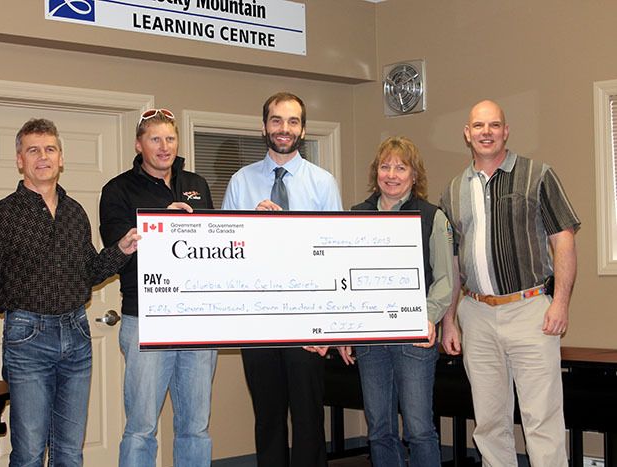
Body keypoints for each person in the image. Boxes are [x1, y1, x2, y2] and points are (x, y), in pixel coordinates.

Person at [0, 118, 140, 467]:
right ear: (19, 159)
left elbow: (90, 273)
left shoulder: (74, 213)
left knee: (69, 452)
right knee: (29, 453)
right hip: (27, 341)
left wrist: (121, 250)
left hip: (77, 337)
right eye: (33, 150)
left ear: (61, 158)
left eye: (50, 149)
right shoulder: (1, 217)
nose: (43, 156)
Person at [440, 100, 580, 467]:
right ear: (467, 134)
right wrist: (450, 319)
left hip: (530, 310)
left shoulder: (537, 174)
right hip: (477, 315)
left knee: (542, 420)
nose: (486, 132)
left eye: (494, 125)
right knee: (488, 422)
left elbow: (563, 239)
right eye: (478, 126)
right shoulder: (453, 190)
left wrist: (560, 303)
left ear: (506, 131)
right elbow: (454, 261)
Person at [221, 91, 342, 467]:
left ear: (303, 129)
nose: (284, 129)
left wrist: (329, 329)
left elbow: (335, 256)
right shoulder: (241, 182)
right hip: (257, 319)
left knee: (308, 420)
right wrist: (249, 226)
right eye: (276, 120)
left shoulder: (322, 183)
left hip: (307, 322)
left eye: (292, 121)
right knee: (268, 418)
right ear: (264, 127)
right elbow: (223, 253)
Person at [99, 108, 216, 467]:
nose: (164, 147)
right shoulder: (117, 190)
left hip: (196, 319)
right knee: (141, 427)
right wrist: (164, 220)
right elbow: (117, 252)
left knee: (195, 427)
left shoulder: (196, 183)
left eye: (169, 138)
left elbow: (215, 244)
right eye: (155, 139)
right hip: (145, 318)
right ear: (139, 144)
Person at [330, 136, 454, 467]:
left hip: (414, 337)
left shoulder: (432, 217)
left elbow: (445, 280)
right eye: (385, 166)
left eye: (401, 167)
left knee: (419, 430)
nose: (392, 174)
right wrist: (345, 332)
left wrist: (427, 317)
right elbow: (346, 278)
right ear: (376, 173)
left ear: (414, 175)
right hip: (371, 340)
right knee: (379, 430)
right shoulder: (357, 215)